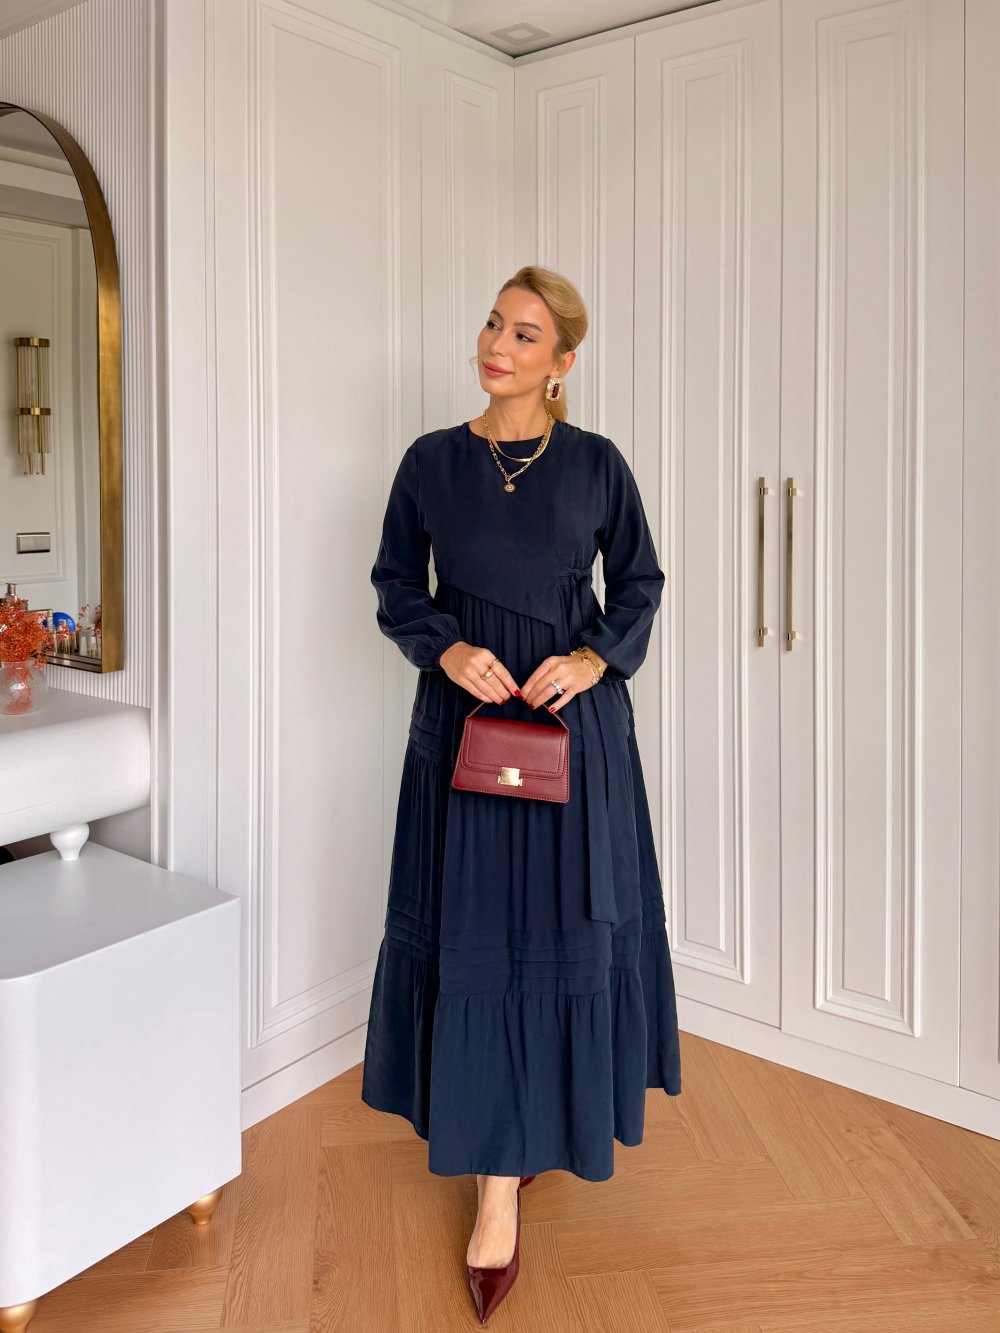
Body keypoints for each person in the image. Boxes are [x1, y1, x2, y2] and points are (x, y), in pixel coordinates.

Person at [361, 265, 681, 1324]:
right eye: (495, 323)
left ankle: (540, 1137)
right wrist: (444, 648)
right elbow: (395, 584)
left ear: (561, 362)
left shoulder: (596, 464)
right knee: (479, 936)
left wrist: (591, 660)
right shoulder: (429, 462)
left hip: (572, 734)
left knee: (561, 933)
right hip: (464, 730)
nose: (497, 344)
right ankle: (495, 1182)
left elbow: (639, 583)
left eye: (525, 333)